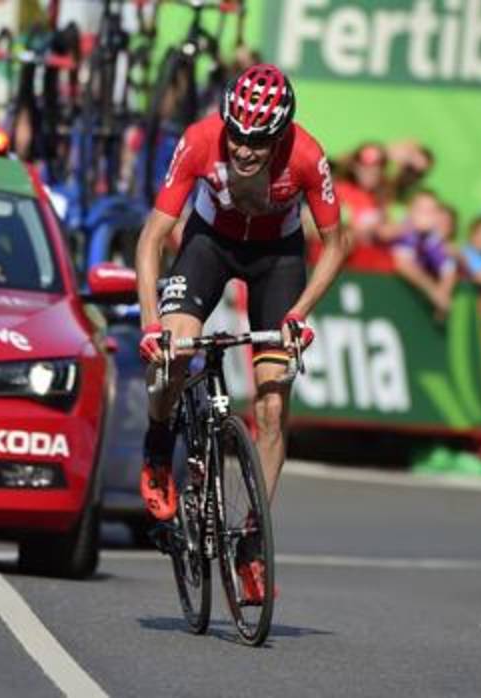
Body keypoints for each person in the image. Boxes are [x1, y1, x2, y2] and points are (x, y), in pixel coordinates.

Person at [134, 64, 347, 602]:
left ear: (280, 135)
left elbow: (335, 245)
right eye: (238, 136)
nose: (246, 150)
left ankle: (251, 543)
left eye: (260, 141)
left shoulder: (306, 156)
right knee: (173, 356)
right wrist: (151, 325)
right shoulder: (201, 140)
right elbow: (153, 237)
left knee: (273, 406)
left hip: (277, 257)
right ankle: (159, 445)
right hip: (209, 243)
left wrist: (299, 312)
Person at [389, 189, 456, 320]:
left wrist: (443, 294)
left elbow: (448, 269)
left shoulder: (433, 238)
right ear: (409, 211)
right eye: (421, 210)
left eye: (430, 211)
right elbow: (404, 265)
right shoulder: (405, 230)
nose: (425, 216)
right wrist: (435, 293)